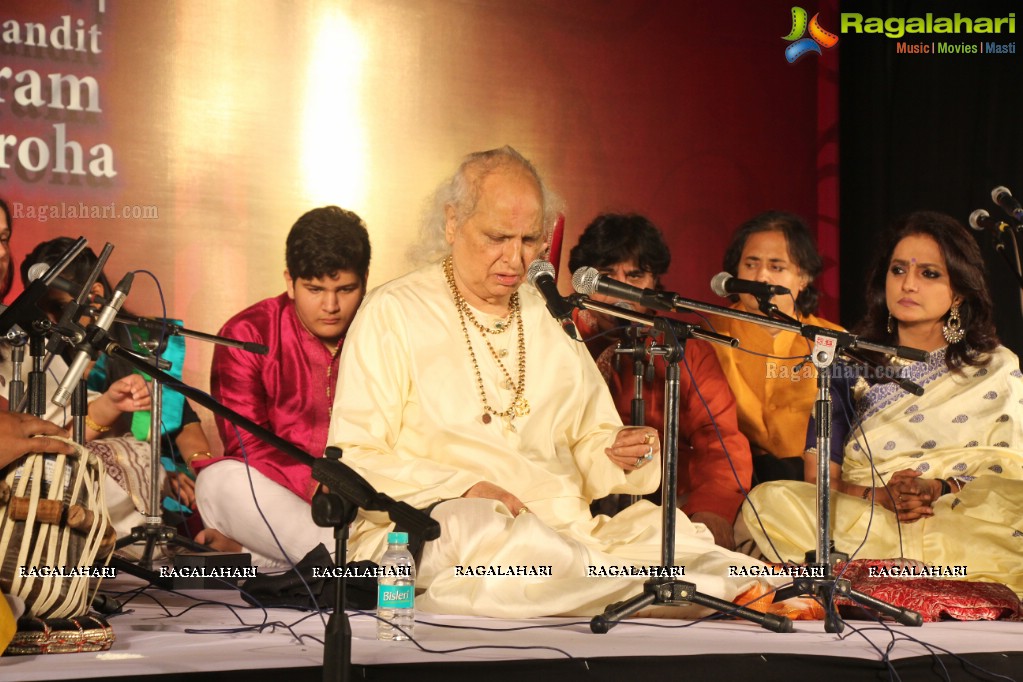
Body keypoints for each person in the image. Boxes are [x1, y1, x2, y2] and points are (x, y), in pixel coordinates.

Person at [327, 147, 783, 618]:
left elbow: (589, 437)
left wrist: (618, 449)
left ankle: (656, 589)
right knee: (489, 535)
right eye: (498, 237)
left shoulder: (546, 313)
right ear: (451, 222)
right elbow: (353, 459)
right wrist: (461, 488)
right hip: (439, 522)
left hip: (564, 526)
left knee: (679, 545)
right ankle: (658, 596)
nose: (515, 258)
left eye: (530, 240)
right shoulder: (394, 311)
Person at [742, 211, 1023, 595]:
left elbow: (1011, 470)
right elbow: (819, 479)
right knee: (769, 501)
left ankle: (879, 578)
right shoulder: (846, 367)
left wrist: (940, 487)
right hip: (872, 520)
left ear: (959, 290)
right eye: (897, 270)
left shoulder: (994, 366)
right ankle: (914, 576)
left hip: (956, 512)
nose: (908, 284)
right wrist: (880, 497)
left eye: (928, 273)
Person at [193, 206, 371, 565]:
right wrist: (316, 482)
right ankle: (363, 565)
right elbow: (249, 447)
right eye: (315, 289)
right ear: (290, 281)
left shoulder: (384, 328)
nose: (331, 305)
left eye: (346, 289)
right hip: (290, 501)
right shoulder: (248, 334)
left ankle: (265, 561)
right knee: (219, 483)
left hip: (372, 500)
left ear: (365, 280)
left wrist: (358, 489)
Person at [567, 213, 752, 549]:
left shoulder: (682, 347)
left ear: (654, 282)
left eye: (634, 275)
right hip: (570, 504)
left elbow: (719, 440)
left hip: (666, 506)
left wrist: (712, 510)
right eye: (607, 276)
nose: (620, 287)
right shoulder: (557, 337)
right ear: (584, 280)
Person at [708, 211, 842, 483]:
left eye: (776, 267)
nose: (761, 277)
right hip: (735, 479)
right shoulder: (708, 334)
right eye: (751, 264)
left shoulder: (833, 341)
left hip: (812, 482)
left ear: (803, 277)